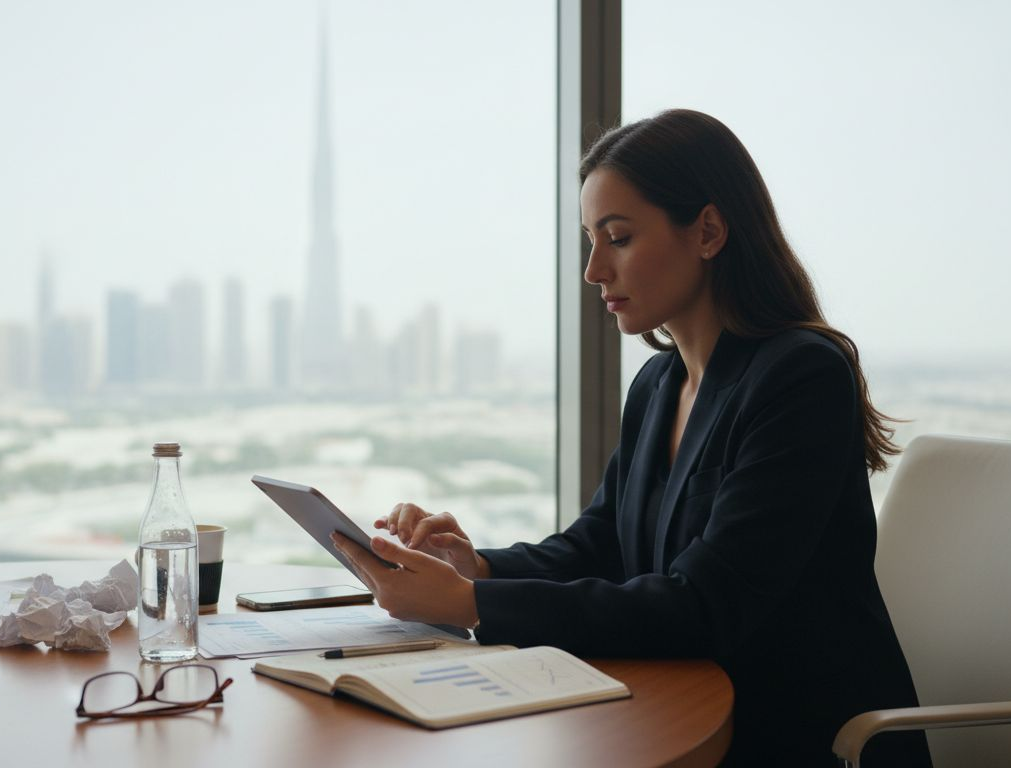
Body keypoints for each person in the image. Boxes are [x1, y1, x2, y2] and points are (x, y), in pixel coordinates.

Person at [330, 108, 931, 766]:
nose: (593, 270)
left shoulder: (801, 379)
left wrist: (473, 604)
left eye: (617, 238)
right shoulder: (658, 382)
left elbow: (704, 606)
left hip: (790, 736)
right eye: (591, 239)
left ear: (707, 230)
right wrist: (476, 566)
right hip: (678, 710)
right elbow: (600, 543)